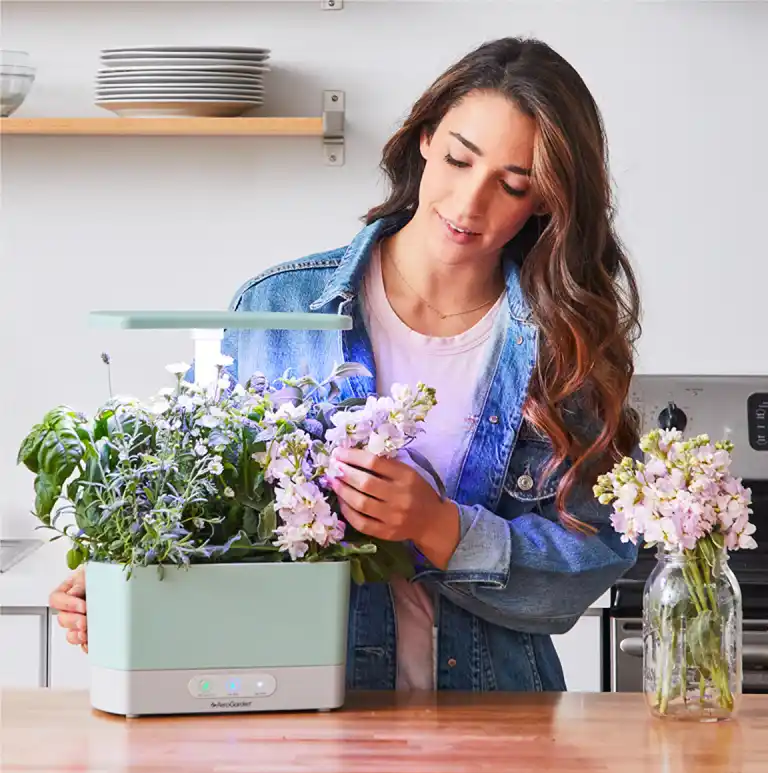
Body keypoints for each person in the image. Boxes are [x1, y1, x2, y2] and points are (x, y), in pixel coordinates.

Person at [49, 36, 642, 692]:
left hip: (496, 711)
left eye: (512, 184)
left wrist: (439, 526)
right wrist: (122, 576)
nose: (470, 204)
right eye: (457, 159)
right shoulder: (277, 307)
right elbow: (203, 510)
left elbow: (599, 554)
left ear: (547, 201)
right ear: (423, 139)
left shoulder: (561, 343)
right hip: (298, 707)